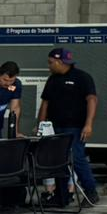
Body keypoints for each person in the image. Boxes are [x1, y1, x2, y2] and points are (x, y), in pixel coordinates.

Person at [37, 48, 99, 205]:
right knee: (57, 161)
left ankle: (90, 191)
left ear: (59, 62)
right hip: (55, 127)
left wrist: (89, 124)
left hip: (75, 127)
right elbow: (45, 102)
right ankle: (61, 196)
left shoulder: (82, 77)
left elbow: (92, 100)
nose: (49, 65)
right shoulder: (52, 79)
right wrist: (41, 124)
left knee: (77, 158)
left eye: (51, 62)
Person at [0, 61, 20, 138]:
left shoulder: (15, 85)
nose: (8, 83)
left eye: (11, 80)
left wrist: (15, 132)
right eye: (5, 80)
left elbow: (15, 108)